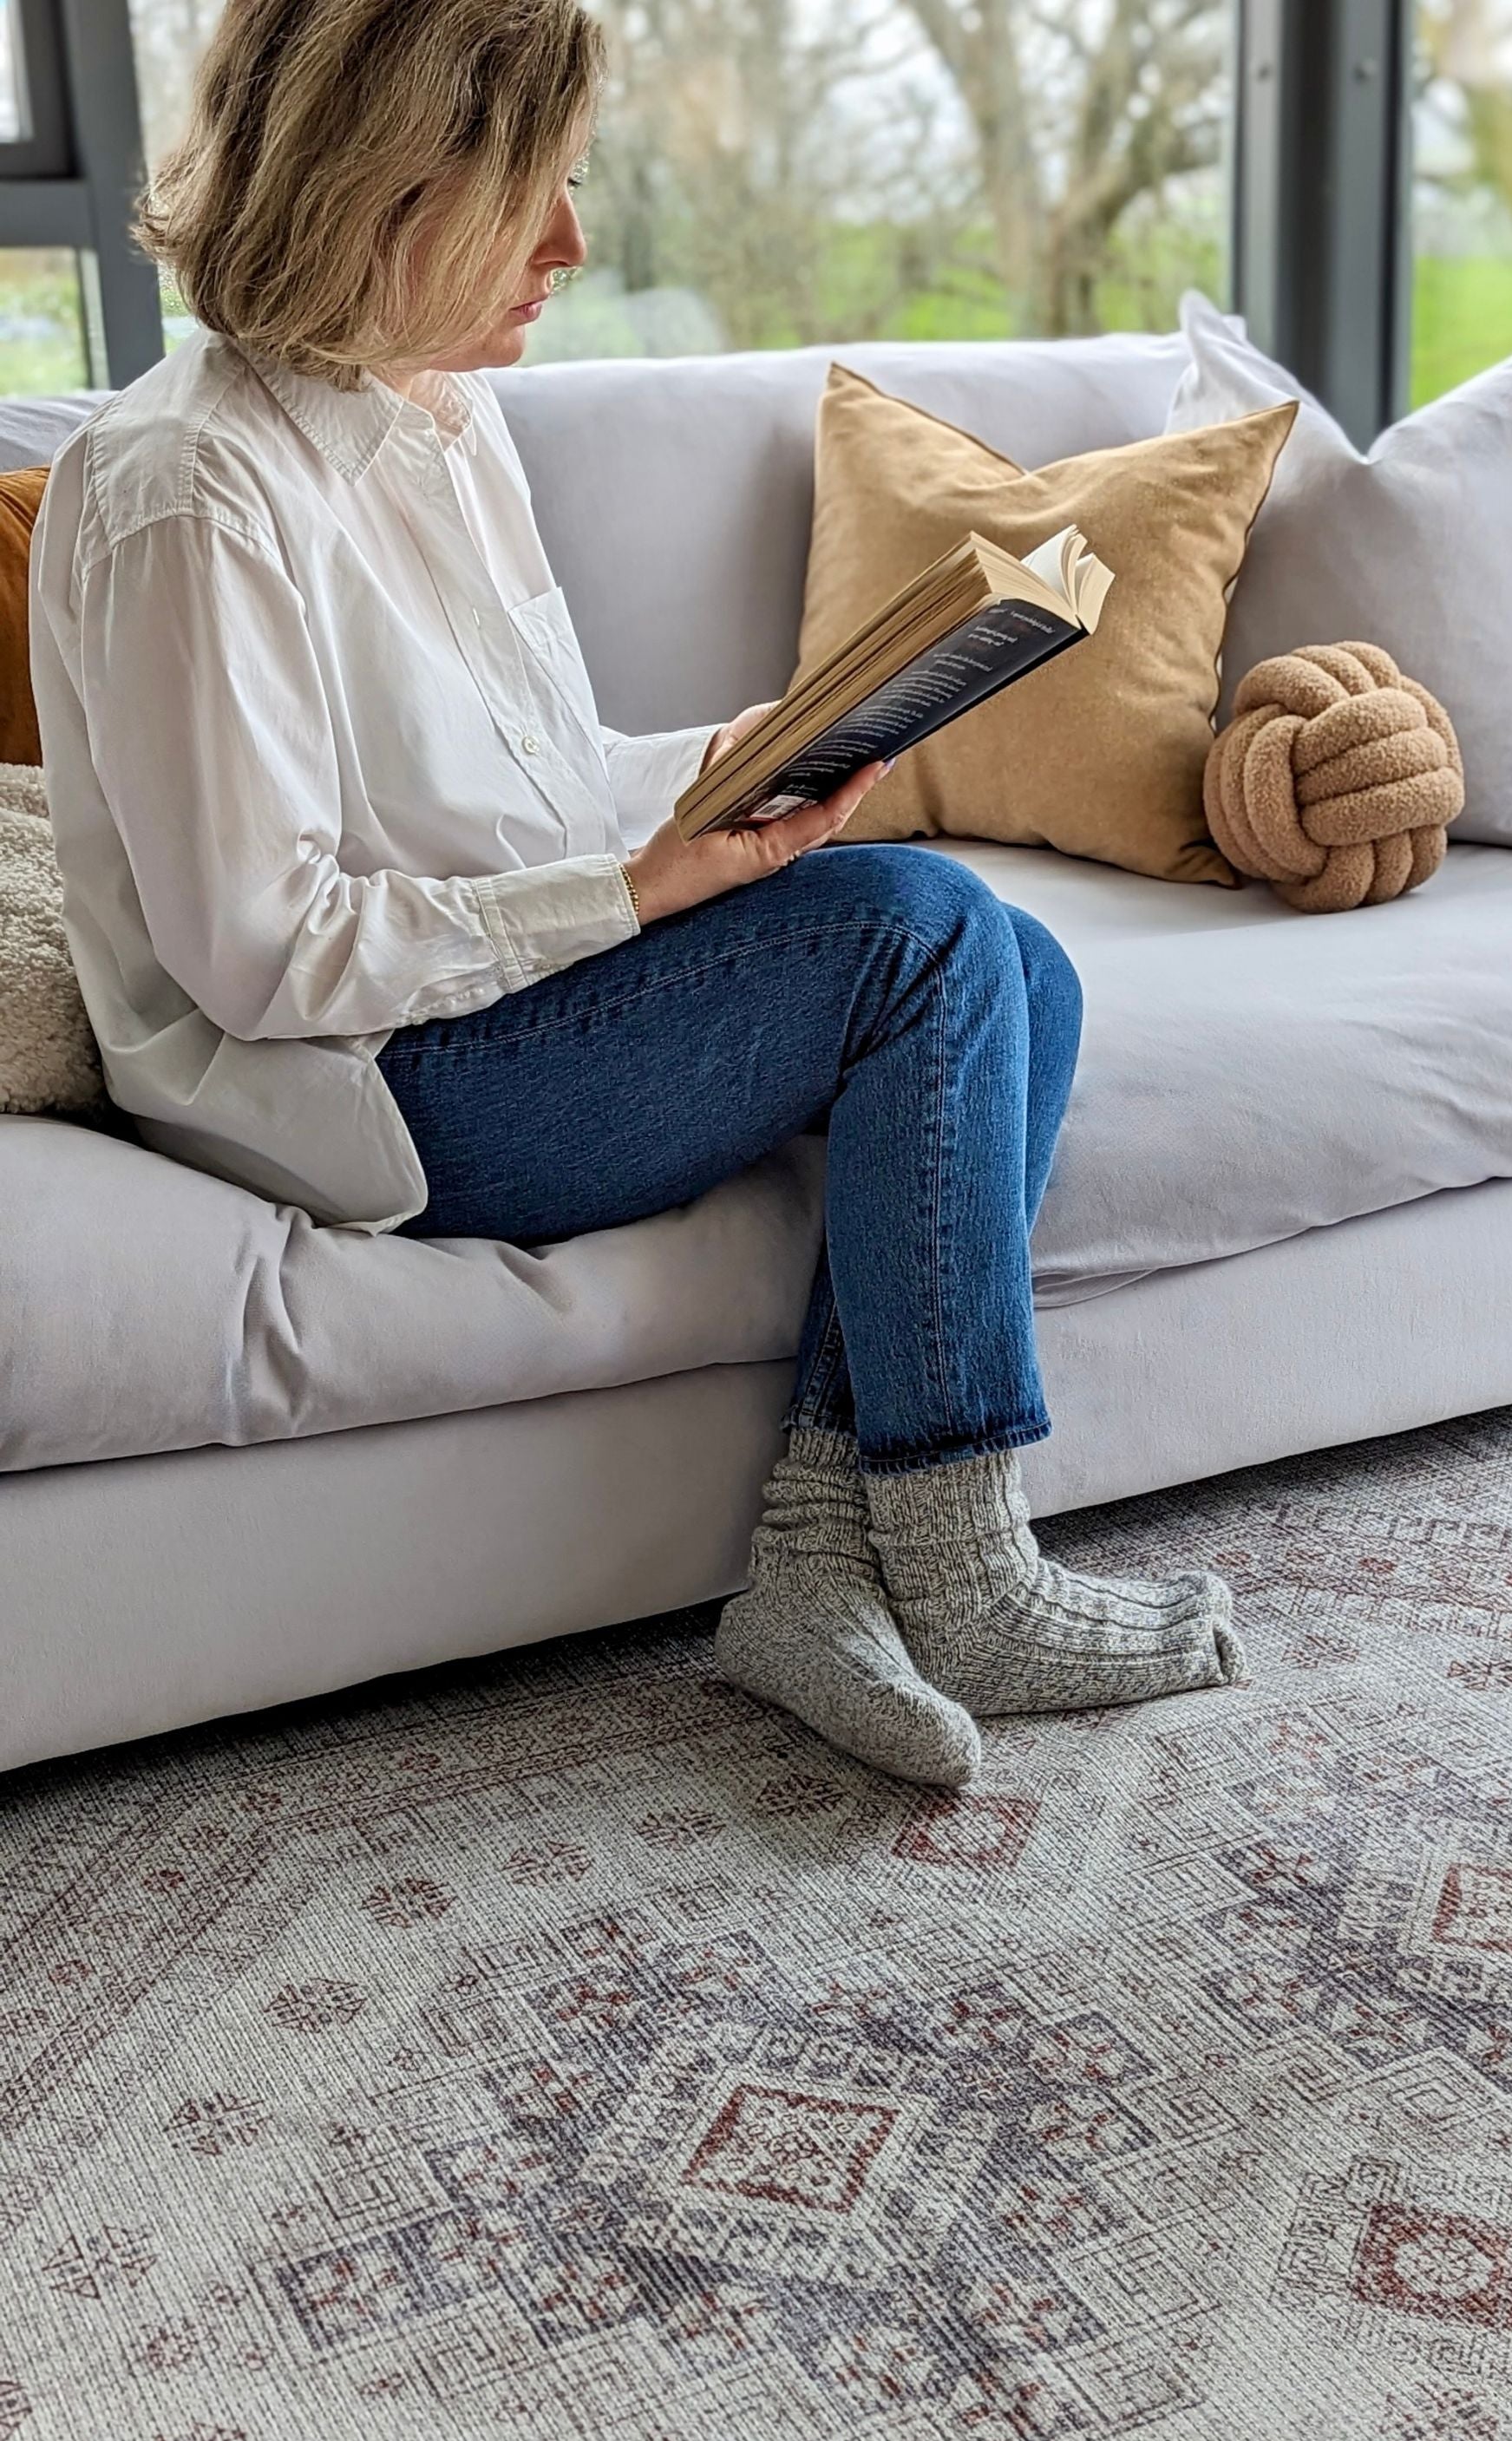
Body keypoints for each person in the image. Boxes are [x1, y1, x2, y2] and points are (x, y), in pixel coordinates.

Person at [30, 0, 1243, 1791]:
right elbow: (265, 950)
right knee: (918, 940)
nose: (573, 248)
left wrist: (724, 763)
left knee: (1022, 966)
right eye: (536, 195)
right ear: (388, 193)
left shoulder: (437, 418)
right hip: (355, 1088)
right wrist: (633, 886)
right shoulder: (188, 488)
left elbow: (522, 776)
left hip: (483, 1008)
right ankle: (965, 1566)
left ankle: (824, 1567)